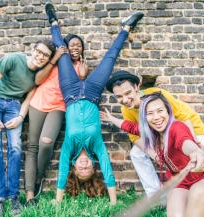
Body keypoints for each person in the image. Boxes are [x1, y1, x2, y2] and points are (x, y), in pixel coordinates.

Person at [44, 1, 144, 204]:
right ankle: (126, 27)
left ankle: (53, 22)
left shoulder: (68, 147)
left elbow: (62, 171)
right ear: (92, 165)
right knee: (110, 59)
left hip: (70, 92)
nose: (83, 165)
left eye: (79, 169)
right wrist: (114, 202)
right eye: (86, 168)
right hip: (92, 93)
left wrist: (58, 199)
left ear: (74, 166)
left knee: (61, 52)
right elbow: (107, 170)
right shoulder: (97, 146)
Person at [103, 70, 204, 216]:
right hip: (158, 133)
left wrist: (194, 146)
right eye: (119, 96)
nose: (125, 99)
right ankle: (156, 196)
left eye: (127, 93)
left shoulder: (158, 96)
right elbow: (133, 132)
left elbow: (183, 120)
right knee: (136, 153)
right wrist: (156, 155)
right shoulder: (129, 112)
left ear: (137, 87)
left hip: (187, 128)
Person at [0, 39, 55, 216]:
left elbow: (27, 100)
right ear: (33, 49)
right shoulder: (13, 59)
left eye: (46, 55)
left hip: (15, 106)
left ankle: (13, 197)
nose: (41, 57)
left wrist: (20, 117)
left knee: (15, 148)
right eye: (39, 51)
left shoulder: (38, 76)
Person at [139, 92, 204, 217]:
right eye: (150, 113)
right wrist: (111, 118)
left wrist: (195, 151)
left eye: (160, 111)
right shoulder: (154, 136)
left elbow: (185, 141)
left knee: (198, 191)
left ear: (168, 112)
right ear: (145, 118)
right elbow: (130, 127)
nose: (156, 117)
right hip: (181, 183)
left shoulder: (176, 127)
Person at [24, 35, 88, 205]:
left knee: (46, 143)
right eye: (72, 45)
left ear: (82, 49)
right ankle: (30, 194)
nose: (75, 48)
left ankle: (38, 179)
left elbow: (79, 94)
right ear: (65, 47)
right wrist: (56, 57)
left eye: (79, 45)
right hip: (38, 103)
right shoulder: (56, 61)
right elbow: (37, 80)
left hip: (58, 107)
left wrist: (82, 78)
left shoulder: (80, 67)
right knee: (32, 147)